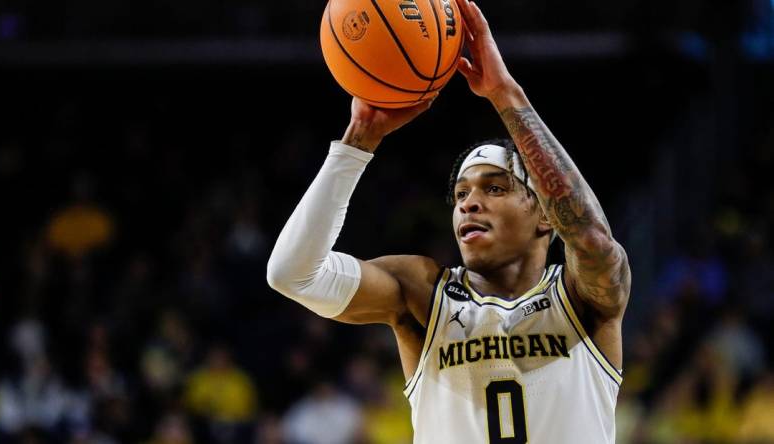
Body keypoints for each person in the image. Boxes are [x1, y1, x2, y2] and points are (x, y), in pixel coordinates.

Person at [267, 0, 631, 442]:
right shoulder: (422, 293)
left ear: (545, 215)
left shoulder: (580, 299)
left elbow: (591, 238)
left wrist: (505, 94)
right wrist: (356, 144)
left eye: (495, 188)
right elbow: (292, 274)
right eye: (461, 194)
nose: (469, 203)